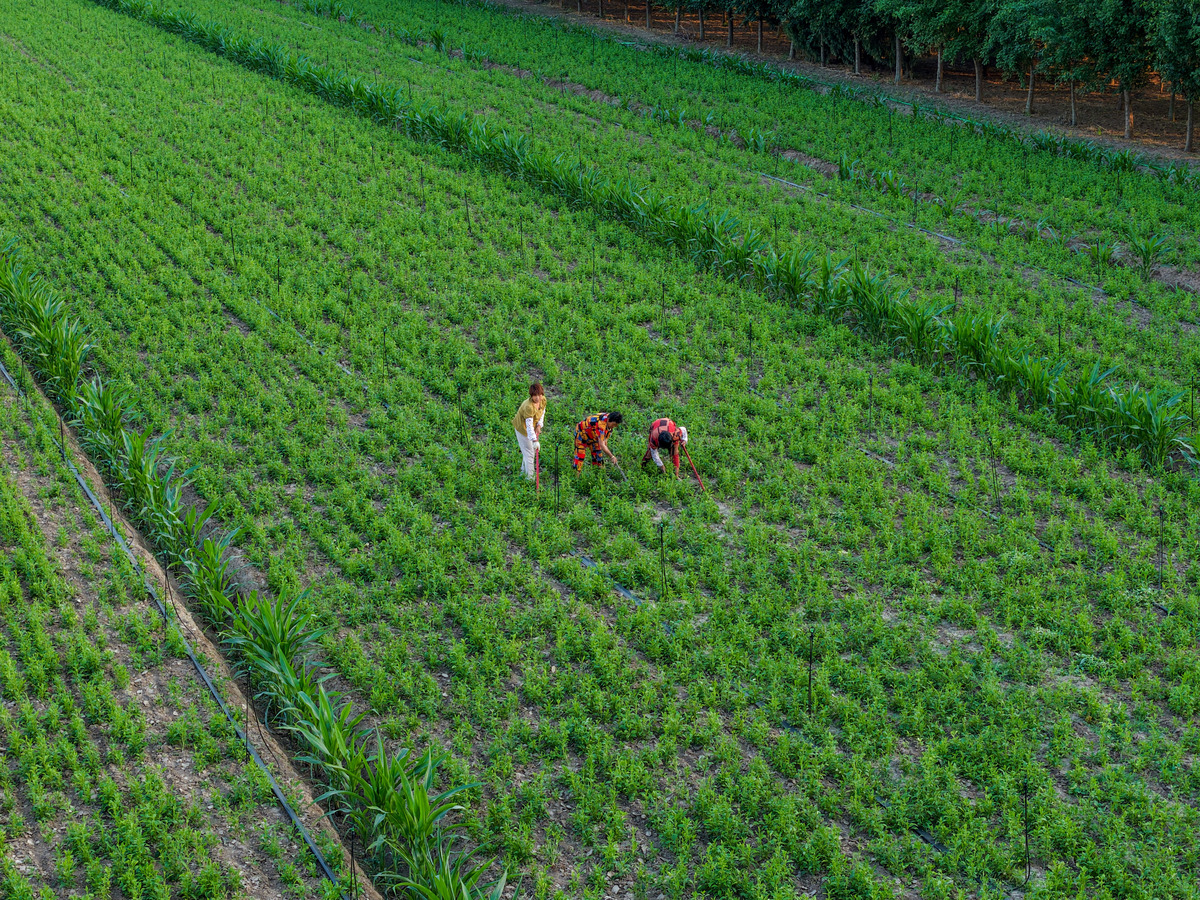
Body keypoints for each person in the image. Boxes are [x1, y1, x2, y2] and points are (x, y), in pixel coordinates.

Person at [512, 382, 546, 480]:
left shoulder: (543, 400)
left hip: (531, 428)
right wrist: (534, 440)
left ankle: (523, 472)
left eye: (539, 395)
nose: (537, 398)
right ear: (531, 396)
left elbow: (542, 412)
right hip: (522, 429)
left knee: (528, 452)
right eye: (534, 395)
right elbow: (529, 426)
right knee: (530, 453)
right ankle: (530, 479)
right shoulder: (529, 407)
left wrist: (539, 425)